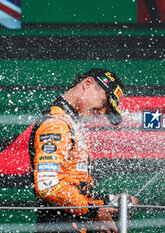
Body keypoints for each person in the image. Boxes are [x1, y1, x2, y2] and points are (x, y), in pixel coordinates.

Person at [28, 68, 139, 232]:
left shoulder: (72, 124)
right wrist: (94, 212)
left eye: (107, 110)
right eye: (104, 103)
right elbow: (48, 186)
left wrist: (112, 201)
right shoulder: (56, 123)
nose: (101, 112)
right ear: (88, 83)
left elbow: (76, 189)